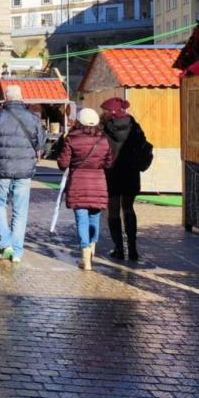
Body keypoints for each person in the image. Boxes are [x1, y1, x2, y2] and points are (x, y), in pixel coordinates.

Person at [0, 85, 46, 263]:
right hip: (24, 170)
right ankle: (16, 252)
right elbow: (41, 143)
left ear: (5, 99)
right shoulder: (33, 118)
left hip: (1, 170)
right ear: (21, 97)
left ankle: (5, 244)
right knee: (20, 211)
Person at [57, 108, 113, 271]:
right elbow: (109, 163)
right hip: (98, 184)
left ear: (79, 122)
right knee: (94, 217)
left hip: (78, 184)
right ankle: (92, 247)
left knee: (81, 219)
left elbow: (63, 163)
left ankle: (85, 256)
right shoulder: (103, 140)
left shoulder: (72, 139)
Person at [100, 97, 151, 261]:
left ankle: (119, 249)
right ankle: (133, 249)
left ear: (108, 112)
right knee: (128, 208)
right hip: (131, 173)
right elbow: (144, 147)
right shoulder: (135, 128)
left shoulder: (103, 129)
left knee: (113, 210)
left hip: (111, 174)